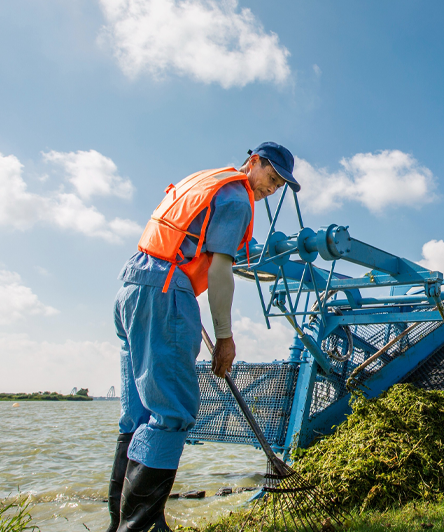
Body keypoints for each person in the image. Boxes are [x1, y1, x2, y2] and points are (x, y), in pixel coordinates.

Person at [105, 142, 301, 531]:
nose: (272, 188)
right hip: (165, 292)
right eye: (271, 177)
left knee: (137, 415)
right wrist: (225, 337)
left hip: (131, 286)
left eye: (279, 184)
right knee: (172, 415)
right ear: (254, 162)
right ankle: (141, 527)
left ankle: (121, 525)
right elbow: (219, 272)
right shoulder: (237, 199)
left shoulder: (205, 181)